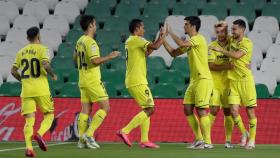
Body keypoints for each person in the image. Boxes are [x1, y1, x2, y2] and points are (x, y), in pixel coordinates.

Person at [163, 16, 213, 149]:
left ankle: (208, 142)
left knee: (201, 109)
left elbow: (181, 44)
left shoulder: (199, 39)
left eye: (186, 24)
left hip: (203, 79)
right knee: (187, 109)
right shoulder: (190, 42)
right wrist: (162, 40)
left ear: (192, 26)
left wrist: (171, 32)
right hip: (194, 81)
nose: (184, 26)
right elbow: (173, 53)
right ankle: (199, 140)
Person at [117, 19, 167, 148]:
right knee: (150, 109)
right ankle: (125, 131)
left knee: (146, 109)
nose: (144, 30)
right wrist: (164, 37)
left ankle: (144, 139)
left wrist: (160, 37)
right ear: (137, 28)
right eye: (142, 27)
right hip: (137, 80)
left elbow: (147, 52)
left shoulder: (131, 41)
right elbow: (155, 46)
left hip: (135, 80)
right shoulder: (136, 40)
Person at [209, 19, 257, 149]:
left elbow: (236, 55)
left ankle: (252, 140)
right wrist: (221, 25)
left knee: (250, 111)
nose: (232, 31)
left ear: (242, 29)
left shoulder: (247, 42)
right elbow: (222, 34)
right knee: (233, 111)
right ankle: (244, 133)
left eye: (234, 29)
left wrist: (220, 50)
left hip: (245, 81)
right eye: (232, 29)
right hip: (232, 82)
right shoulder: (231, 40)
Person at [74, 15, 120, 149]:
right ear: (90, 26)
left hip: (82, 79)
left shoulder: (80, 40)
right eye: (94, 24)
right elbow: (95, 61)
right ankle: (89, 134)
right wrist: (110, 56)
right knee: (105, 107)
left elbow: (74, 57)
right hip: (92, 80)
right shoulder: (91, 42)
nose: (96, 26)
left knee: (85, 110)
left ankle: (81, 141)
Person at [11, 26, 57, 157]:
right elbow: (45, 64)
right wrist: (52, 75)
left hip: (26, 91)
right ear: (38, 36)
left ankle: (29, 148)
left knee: (29, 121)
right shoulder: (43, 49)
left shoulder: (21, 52)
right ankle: (40, 134)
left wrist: (22, 80)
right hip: (41, 89)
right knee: (49, 115)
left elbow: (13, 71)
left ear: (27, 38)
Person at [208, 21, 238, 148]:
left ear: (227, 32)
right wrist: (228, 66)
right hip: (214, 84)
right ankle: (205, 140)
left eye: (222, 32)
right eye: (217, 32)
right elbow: (211, 66)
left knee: (228, 112)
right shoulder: (211, 46)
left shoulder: (232, 44)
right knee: (214, 110)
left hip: (228, 83)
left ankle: (228, 141)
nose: (220, 34)